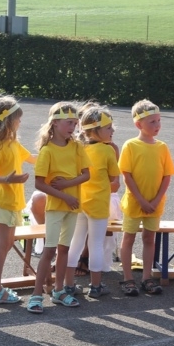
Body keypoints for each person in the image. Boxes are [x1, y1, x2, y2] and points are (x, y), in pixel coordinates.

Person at [32, 101, 89, 312]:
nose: (73, 127)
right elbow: (39, 184)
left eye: (75, 123)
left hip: (72, 207)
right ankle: (36, 295)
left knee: (64, 250)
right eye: (68, 122)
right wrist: (64, 196)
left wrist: (67, 184)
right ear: (55, 123)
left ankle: (59, 291)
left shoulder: (77, 147)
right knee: (49, 251)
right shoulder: (47, 151)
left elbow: (86, 174)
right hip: (56, 207)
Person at [0, 95, 32, 306]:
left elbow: (34, 159)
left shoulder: (13, 143)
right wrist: (7, 179)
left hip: (14, 202)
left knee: (8, 244)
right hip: (2, 201)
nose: (20, 122)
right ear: (9, 120)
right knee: (1, 245)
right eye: (18, 118)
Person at [119, 100, 174, 296]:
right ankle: (127, 278)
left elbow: (167, 176)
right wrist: (141, 200)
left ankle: (146, 277)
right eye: (152, 122)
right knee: (128, 238)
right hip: (134, 203)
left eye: (159, 120)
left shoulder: (162, 147)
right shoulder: (130, 145)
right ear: (138, 124)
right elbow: (127, 175)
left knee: (149, 238)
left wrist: (156, 200)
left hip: (155, 204)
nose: (157, 125)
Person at [67, 104, 120, 299]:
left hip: (79, 202)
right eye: (108, 128)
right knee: (96, 243)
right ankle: (96, 286)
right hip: (98, 204)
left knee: (75, 242)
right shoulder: (107, 151)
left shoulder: (78, 148)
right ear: (96, 130)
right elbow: (114, 178)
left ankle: (68, 284)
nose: (112, 131)